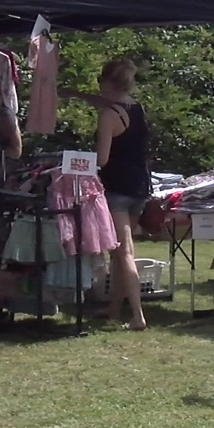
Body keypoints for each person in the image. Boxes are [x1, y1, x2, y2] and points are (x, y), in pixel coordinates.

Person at [93, 59, 150, 331]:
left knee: (124, 251)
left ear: (106, 83)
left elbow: (102, 160)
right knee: (118, 252)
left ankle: (137, 315)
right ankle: (114, 308)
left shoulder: (109, 116)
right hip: (140, 187)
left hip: (117, 189)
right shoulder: (138, 109)